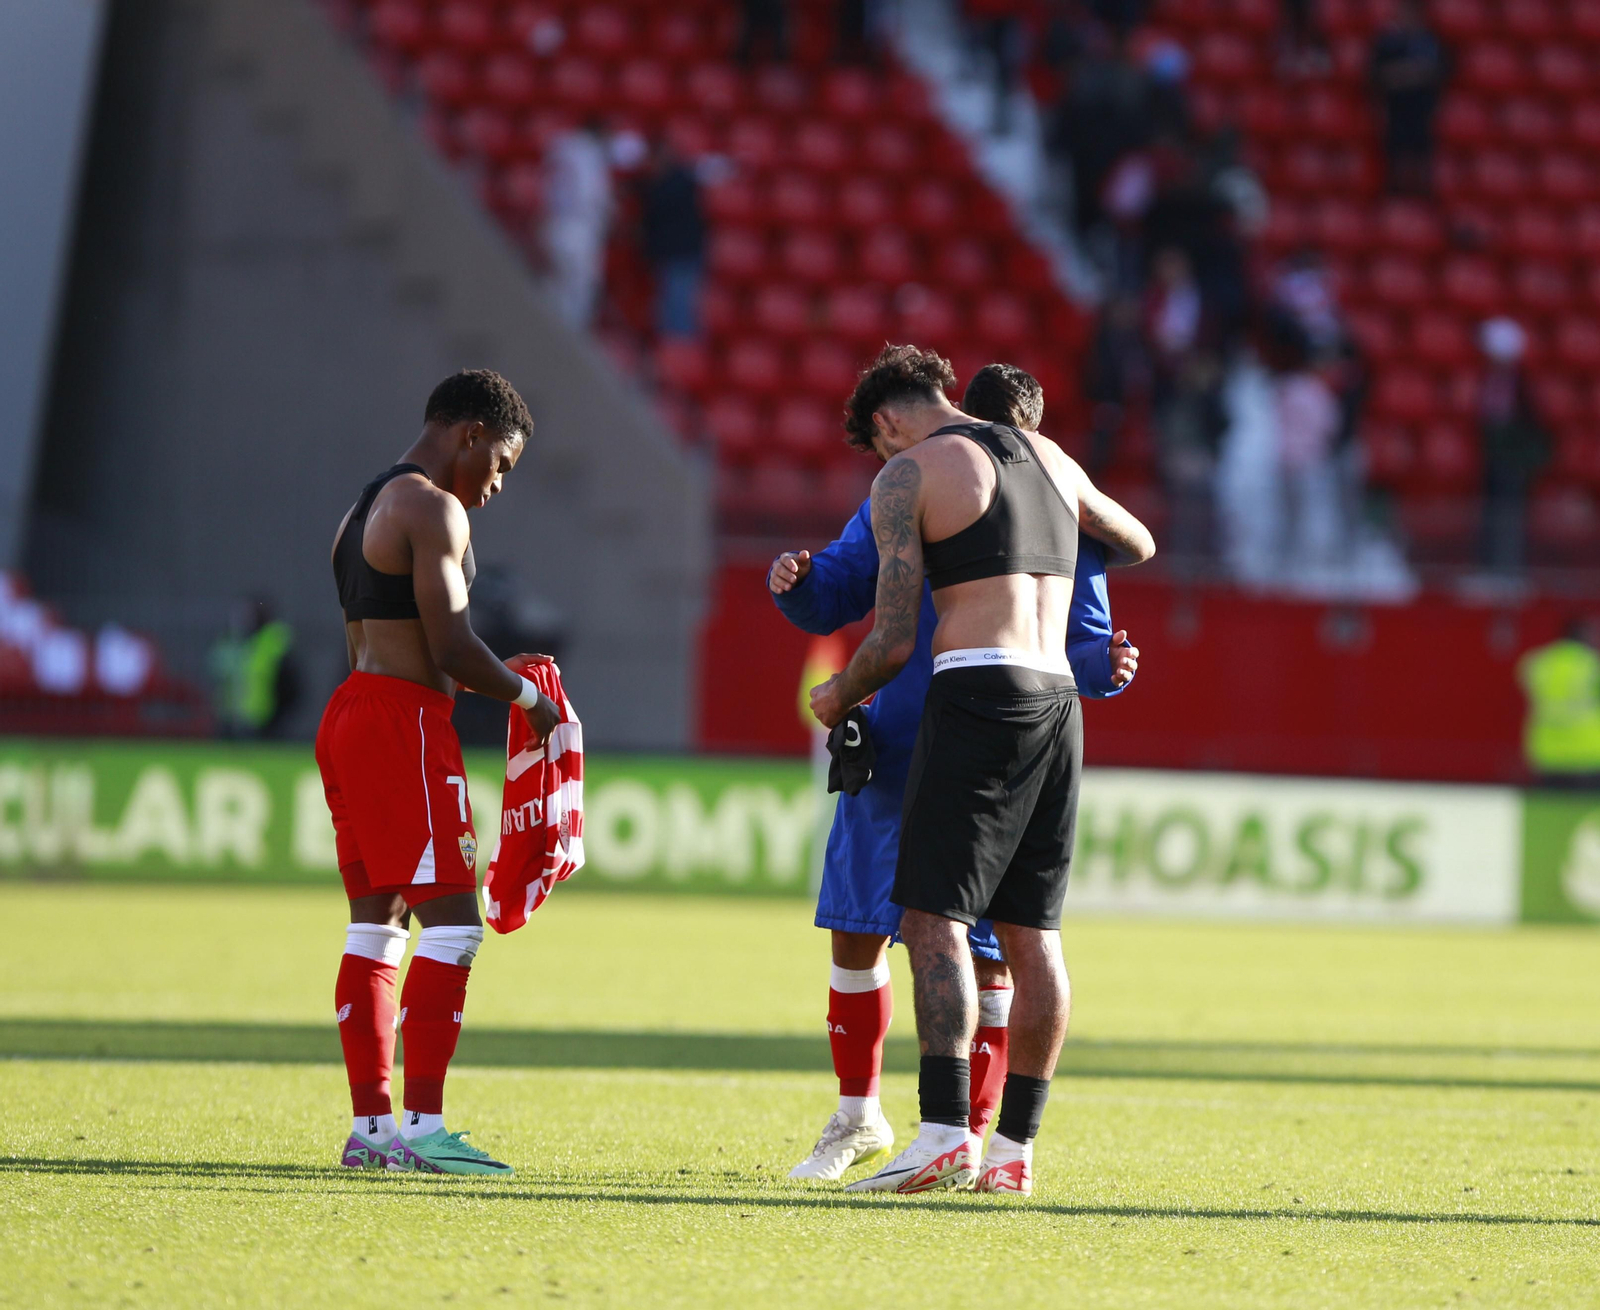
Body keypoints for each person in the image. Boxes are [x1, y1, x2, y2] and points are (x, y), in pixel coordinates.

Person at [770, 362, 1141, 1183]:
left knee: (941, 926)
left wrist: (839, 693)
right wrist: (800, 588)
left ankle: (950, 1130)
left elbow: (894, 634)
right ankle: (970, 1141)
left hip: (965, 701)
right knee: (998, 931)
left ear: (889, 427)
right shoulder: (1052, 472)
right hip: (1031, 711)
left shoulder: (916, 475)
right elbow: (839, 583)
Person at [316, 370, 561, 1176]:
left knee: (374, 924)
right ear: (471, 433)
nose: (496, 484)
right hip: (403, 726)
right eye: (501, 462)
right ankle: (422, 1130)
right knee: (454, 924)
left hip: (350, 712)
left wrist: (493, 670)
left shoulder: (362, 509)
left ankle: (372, 1133)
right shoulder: (433, 506)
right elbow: (450, 647)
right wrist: (528, 696)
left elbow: (406, 635)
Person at [1476, 318, 1548, 575]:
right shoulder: (1491, 379)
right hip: (1494, 456)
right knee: (1493, 515)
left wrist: (1519, 458)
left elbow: (1532, 423)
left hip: (1512, 461)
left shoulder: (1521, 385)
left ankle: (1509, 570)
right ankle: (1491, 568)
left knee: (1510, 517)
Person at [1368, 0, 1449, 195]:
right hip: (1396, 113)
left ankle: (1423, 196)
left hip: (1422, 113)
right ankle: (1395, 194)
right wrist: (1412, 75)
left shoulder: (1431, 43)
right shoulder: (1387, 44)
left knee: (1421, 156)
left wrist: (1405, 76)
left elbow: (1440, 72)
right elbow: (1376, 77)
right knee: (1397, 156)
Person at [542, 119, 613, 329]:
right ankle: (568, 338)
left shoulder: (561, 147)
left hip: (554, 223)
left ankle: (548, 330)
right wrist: (608, 212)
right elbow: (590, 195)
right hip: (579, 227)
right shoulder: (589, 155)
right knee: (580, 288)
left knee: (557, 283)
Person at [1517, 618, 1600, 784]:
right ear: (1586, 636)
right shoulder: (1591, 665)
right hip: (1587, 753)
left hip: (1546, 751)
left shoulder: (1539, 662)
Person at [639, 139, 707, 339]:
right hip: (676, 253)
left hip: (683, 253)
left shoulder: (678, 182)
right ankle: (673, 350)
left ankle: (679, 350)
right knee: (672, 302)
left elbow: (660, 204)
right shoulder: (674, 181)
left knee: (678, 303)